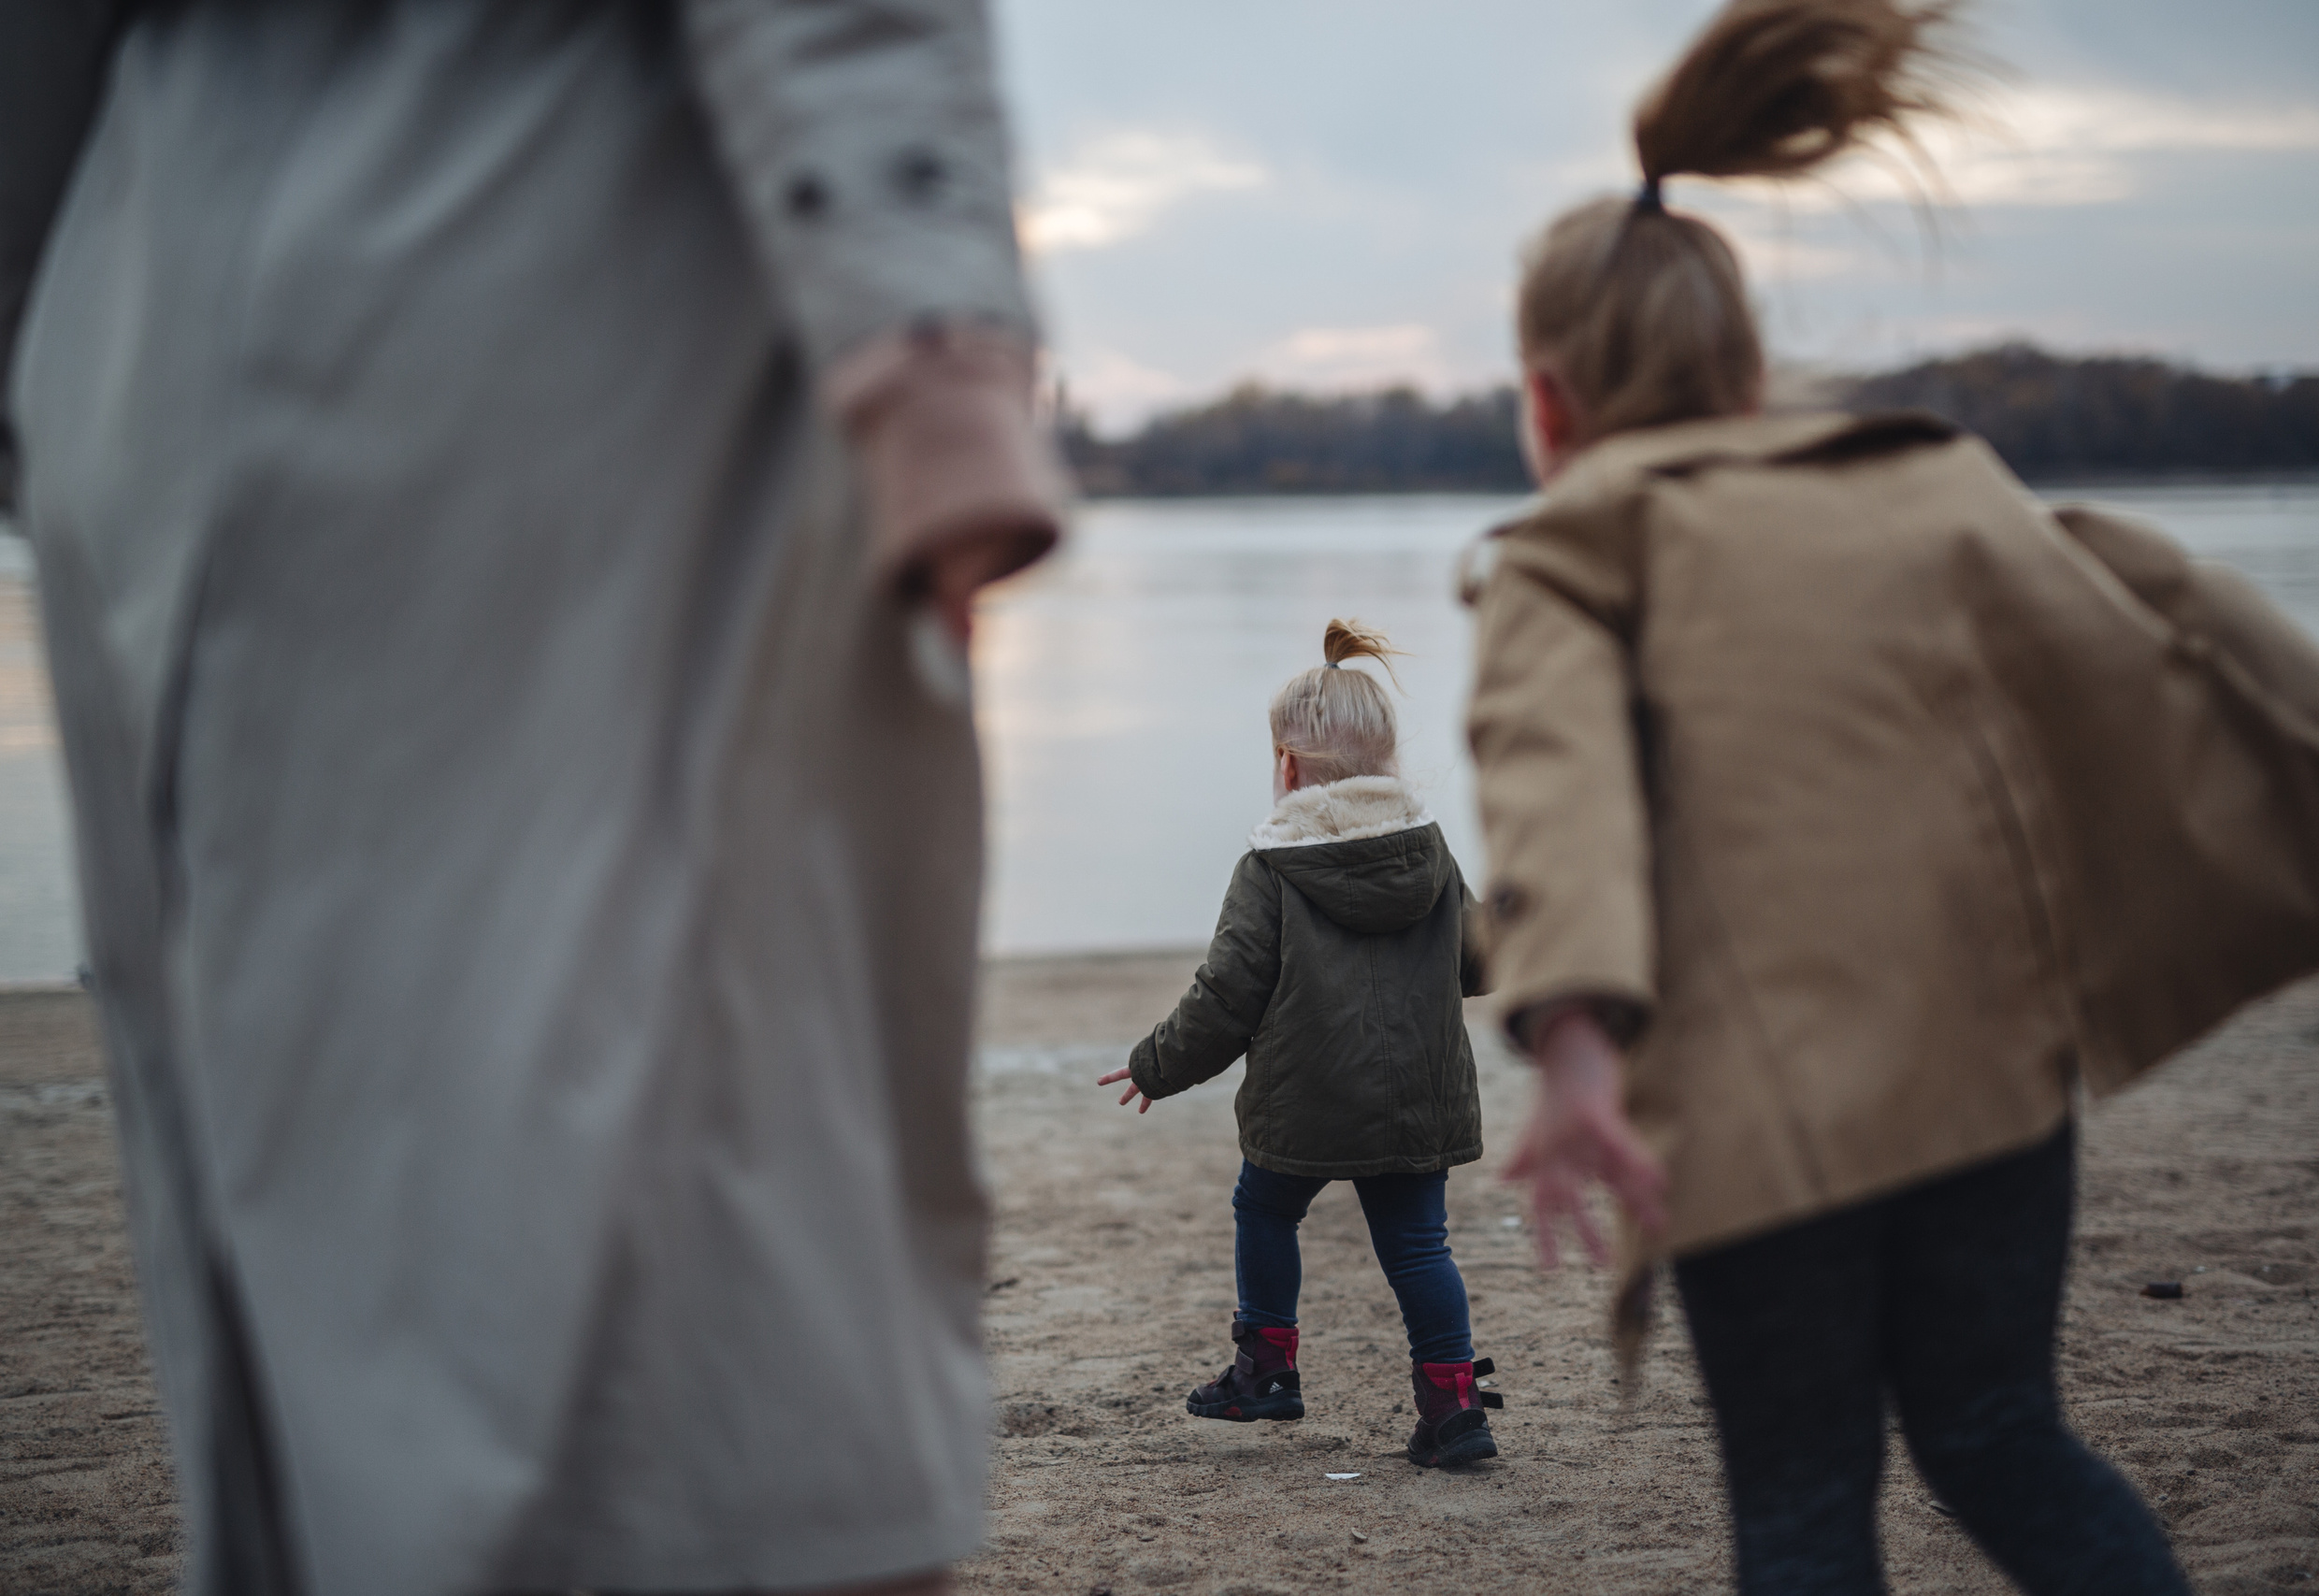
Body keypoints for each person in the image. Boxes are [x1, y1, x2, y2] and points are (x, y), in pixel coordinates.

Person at [3, 2, 1064, 1593]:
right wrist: (935, 347)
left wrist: (44, 347)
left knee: (320, 1186)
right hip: (583, 265)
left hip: (148, 317)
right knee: (707, 1180)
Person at [1462, 1, 2319, 1591]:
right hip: (1988, 1092)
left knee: (1806, 1501)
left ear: (1548, 409)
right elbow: (2157, 640)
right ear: (1751, 370)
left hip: (1760, 1131)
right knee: (2002, 1435)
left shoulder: (1574, 546)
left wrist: (1574, 1040)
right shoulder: (1928, 485)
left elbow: (1562, 782)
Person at [1096, 620, 1503, 1470]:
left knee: (1266, 1207)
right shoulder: (1430, 853)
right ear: (1388, 762)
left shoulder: (1272, 867)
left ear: (1287, 767)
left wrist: (1154, 1066)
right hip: (1418, 1100)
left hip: (1308, 1101)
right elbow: (1478, 963)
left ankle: (1267, 1367)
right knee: (1419, 1246)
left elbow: (1227, 994)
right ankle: (1454, 1403)